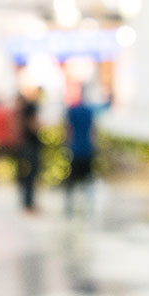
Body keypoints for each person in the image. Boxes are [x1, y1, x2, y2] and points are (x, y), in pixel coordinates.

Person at [64, 87, 108, 217]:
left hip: (76, 149)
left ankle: (70, 208)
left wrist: (67, 145)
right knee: (88, 179)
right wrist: (96, 146)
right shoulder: (89, 111)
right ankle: (89, 206)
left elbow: (68, 129)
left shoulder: (72, 110)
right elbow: (93, 131)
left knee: (73, 181)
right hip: (87, 149)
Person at [17, 91, 42, 214]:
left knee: (28, 176)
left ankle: (28, 203)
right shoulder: (31, 107)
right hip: (31, 145)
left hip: (25, 144)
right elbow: (33, 125)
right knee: (30, 175)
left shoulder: (23, 108)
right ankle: (28, 204)